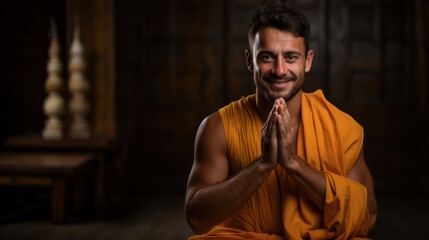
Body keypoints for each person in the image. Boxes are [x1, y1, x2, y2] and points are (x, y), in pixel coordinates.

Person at [185, 1, 377, 239]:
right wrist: (262, 165)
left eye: (291, 57)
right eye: (267, 57)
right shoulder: (218, 127)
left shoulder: (340, 126)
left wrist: (294, 165)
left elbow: (367, 215)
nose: (279, 69)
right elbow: (196, 217)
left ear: (307, 61)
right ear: (250, 61)